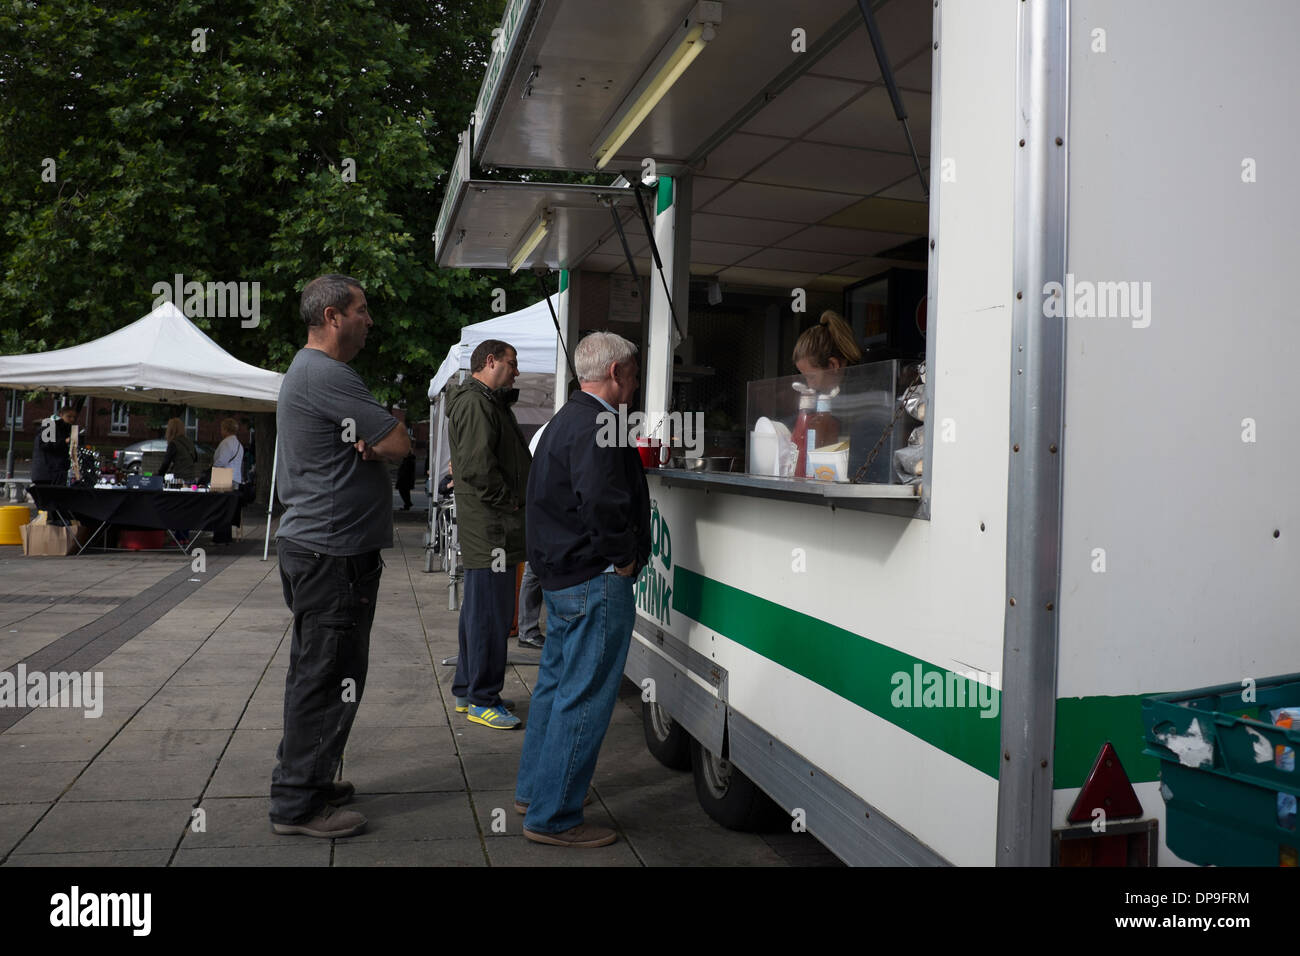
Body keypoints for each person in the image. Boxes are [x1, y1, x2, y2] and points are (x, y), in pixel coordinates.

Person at [269, 273, 411, 839]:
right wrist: (379, 441)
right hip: (332, 554)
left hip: (324, 549)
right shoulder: (326, 373)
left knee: (322, 671)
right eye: (362, 310)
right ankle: (297, 804)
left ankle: (312, 779)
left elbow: (380, 440)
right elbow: (399, 442)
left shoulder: (310, 374)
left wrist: (370, 441)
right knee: (326, 677)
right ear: (332, 317)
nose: (369, 320)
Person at [514, 331, 650, 848]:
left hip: (563, 576)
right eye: (634, 373)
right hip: (593, 578)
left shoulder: (564, 419)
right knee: (585, 697)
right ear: (616, 373)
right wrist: (624, 557)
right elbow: (600, 502)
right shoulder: (598, 423)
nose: (635, 384)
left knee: (555, 688)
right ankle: (554, 817)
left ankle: (537, 793)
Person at [446, 339, 530, 729]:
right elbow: (479, 468)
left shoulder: (484, 401)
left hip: (491, 527)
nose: (516, 371)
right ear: (490, 361)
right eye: (512, 364)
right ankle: (482, 698)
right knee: (490, 619)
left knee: (479, 615)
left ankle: (469, 690)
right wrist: (511, 500)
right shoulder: (478, 402)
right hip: (492, 527)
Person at [792, 309, 861, 392]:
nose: (810, 385)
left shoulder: (863, 389)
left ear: (833, 365)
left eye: (811, 377)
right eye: (806, 377)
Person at [210, 418, 244, 545]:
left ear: (225, 429)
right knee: (229, 509)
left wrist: (213, 466)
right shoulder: (239, 444)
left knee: (220, 508)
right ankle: (226, 536)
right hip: (235, 477)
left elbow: (221, 461)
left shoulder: (225, 443)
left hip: (223, 476)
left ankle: (220, 537)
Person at [30, 406, 78, 485]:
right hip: (46, 473)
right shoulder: (50, 425)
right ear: (61, 415)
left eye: (74, 417)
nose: (72, 419)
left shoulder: (65, 429)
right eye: (69, 416)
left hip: (56, 473)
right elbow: (45, 445)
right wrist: (65, 441)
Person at [159, 417, 198, 482]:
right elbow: (195, 458)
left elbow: (165, 464)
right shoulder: (189, 442)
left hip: (179, 479)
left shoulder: (173, 444)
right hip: (192, 477)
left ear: (170, 430)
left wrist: (158, 476)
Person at [395, 435, 416, 510]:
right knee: (405, 492)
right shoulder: (408, 459)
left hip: (405, 479)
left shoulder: (409, 459)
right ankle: (407, 504)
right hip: (405, 478)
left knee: (404, 491)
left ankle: (408, 503)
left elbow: (406, 470)